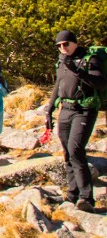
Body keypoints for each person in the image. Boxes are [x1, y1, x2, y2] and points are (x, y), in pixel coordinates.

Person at [45, 29, 107, 212]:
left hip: (84, 109)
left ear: (75, 42)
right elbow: (58, 85)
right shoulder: (61, 61)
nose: (63, 48)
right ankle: (72, 194)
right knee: (66, 152)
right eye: (59, 46)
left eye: (66, 44)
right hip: (65, 109)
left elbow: (101, 83)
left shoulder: (89, 59)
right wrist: (49, 110)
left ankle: (86, 197)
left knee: (76, 150)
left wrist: (78, 71)